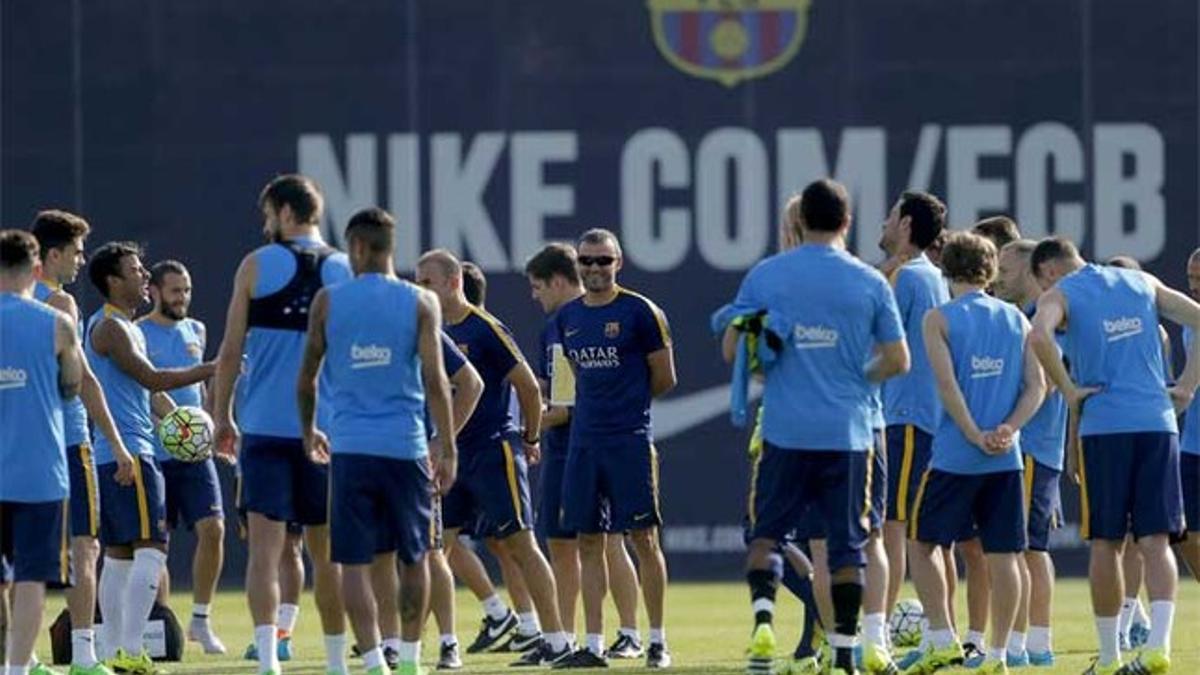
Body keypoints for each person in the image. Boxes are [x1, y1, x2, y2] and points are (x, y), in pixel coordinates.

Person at [727, 179, 909, 675]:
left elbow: (734, 352)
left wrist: (772, 366)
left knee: (767, 537)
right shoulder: (868, 281)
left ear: (800, 221)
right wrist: (856, 378)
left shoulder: (767, 275)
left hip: (785, 429)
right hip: (848, 432)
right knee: (849, 545)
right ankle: (849, 650)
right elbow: (898, 359)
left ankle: (764, 621)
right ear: (847, 222)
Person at [1029, 236, 1200, 675]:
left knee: (1106, 542)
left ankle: (1109, 658)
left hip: (1105, 426)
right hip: (1158, 424)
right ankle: (1158, 647)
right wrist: (1185, 387)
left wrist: (1068, 392)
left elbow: (1039, 335)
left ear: (1049, 270)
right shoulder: (1140, 280)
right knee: (1157, 541)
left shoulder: (1061, 293)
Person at [297, 207, 456, 675]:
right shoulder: (421, 302)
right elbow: (436, 380)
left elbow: (306, 379)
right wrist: (447, 447)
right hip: (405, 448)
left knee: (351, 561)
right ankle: (408, 659)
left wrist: (309, 432)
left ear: (358, 247)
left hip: (349, 449)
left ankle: (372, 660)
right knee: (414, 557)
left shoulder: (328, 301)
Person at [210, 174, 352, 675]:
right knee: (328, 557)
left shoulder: (255, 265)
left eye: (269, 214)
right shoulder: (345, 268)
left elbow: (230, 352)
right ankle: (337, 663)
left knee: (265, 555)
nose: (266, 222)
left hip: (265, 430)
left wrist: (221, 415)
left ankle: (269, 661)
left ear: (287, 213)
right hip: (327, 432)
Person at [416, 249, 572, 667]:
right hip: (450, 456)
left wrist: (531, 436)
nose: (420, 290)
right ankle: (435, 644)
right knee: (434, 551)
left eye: (427, 282)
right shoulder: (428, 332)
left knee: (521, 544)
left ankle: (556, 639)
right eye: (417, 282)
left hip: (492, 449)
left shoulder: (484, 328)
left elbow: (528, 386)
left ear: (453, 283)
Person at [906, 232, 1046, 675]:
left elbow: (947, 388)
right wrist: (1008, 429)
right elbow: (1037, 388)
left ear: (947, 269)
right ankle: (999, 655)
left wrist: (973, 432)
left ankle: (944, 638)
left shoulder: (939, 319)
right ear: (988, 271)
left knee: (922, 542)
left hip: (954, 455)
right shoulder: (1016, 320)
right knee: (1004, 556)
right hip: (1005, 458)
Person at [84, 242, 214, 674]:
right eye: (136, 270)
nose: (144, 277)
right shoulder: (110, 329)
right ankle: (130, 648)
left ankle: (115, 650)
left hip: (125, 451)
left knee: (120, 555)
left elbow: (150, 391)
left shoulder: (128, 326)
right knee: (153, 548)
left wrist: (180, 421)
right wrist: (212, 368)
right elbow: (153, 376)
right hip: (131, 453)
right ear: (112, 281)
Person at [552, 228, 678, 669]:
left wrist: (628, 409)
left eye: (603, 260)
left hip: (629, 442)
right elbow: (564, 389)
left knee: (643, 538)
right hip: (583, 445)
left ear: (618, 263)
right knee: (588, 542)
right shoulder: (566, 318)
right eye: (585, 261)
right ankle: (593, 643)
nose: (594, 269)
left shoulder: (641, 312)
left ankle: (657, 641)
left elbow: (664, 377)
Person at [525, 242, 646, 658]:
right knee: (563, 543)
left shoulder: (581, 319)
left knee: (610, 539)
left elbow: (564, 406)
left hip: (600, 442)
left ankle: (630, 633)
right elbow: (554, 390)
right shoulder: (558, 324)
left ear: (559, 281)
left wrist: (520, 427)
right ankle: (561, 639)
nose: (534, 295)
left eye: (538, 286)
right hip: (565, 448)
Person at [30, 210, 136, 675]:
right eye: (75, 252)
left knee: (21, 551)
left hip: (21, 443)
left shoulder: (11, 299)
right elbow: (84, 378)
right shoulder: (60, 303)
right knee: (85, 547)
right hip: (69, 440)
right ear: (53, 254)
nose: (80, 261)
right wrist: (117, 441)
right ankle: (85, 656)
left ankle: (23, 656)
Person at [0, 229, 86, 675]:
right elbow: (71, 388)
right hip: (40, 474)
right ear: (37, 269)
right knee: (32, 577)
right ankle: (17, 670)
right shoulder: (57, 323)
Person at [876, 192, 957, 661]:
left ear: (905, 225)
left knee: (893, 530)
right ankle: (939, 633)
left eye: (890, 216)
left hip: (905, 416)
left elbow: (886, 349)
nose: (883, 223)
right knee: (928, 537)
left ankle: (880, 633)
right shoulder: (928, 276)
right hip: (925, 418)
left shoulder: (908, 277)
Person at [136, 260, 226, 654]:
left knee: (214, 529)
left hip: (195, 451)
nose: (182, 297)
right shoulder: (136, 332)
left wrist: (217, 423)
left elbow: (204, 389)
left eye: (186, 290)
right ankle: (163, 627)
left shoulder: (196, 330)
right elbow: (146, 387)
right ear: (154, 291)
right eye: (175, 290)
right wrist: (177, 422)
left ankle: (201, 622)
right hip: (156, 452)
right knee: (158, 545)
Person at [992, 240, 1068, 667]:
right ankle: (1036, 642)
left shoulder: (1045, 319)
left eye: (1006, 267)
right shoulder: (1033, 318)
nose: (999, 275)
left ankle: (1025, 644)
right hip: (1040, 448)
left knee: (1023, 549)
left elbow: (1050, 382)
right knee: (1030, 549)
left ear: (1030, 269)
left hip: (1033, 447)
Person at [1177, 248, 1200, 582]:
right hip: (1192, 446)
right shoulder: (1190, 319)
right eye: (1191, 278)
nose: (1194, 286)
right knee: (1183, 533)